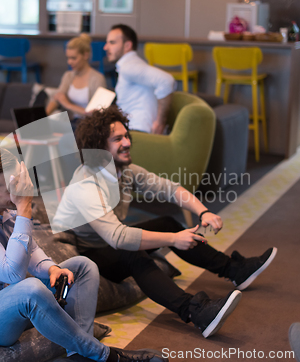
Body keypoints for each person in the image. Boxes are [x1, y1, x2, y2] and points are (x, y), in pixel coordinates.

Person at [53, 106, 277, 338]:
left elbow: (169, 189)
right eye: (118, 139)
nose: (127, 142)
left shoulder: (125, 171)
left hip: (107, 243)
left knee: (168, 222)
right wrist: (174, 240)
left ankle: (235, 270)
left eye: (126, 135)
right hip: (87, 253)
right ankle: (195, 312)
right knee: (133, 252)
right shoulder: (86, 185)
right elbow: (118, 237)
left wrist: (203, 212)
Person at [0, 145, 166, 362]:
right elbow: (13, 274)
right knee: (30, 288)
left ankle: (78, 354)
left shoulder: (0, 206)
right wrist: (24, 209)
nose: (21, 193)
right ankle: (106, 355)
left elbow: (31, 249)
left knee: (82, 266)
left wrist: (52, 268)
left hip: (3, 300)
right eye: (12, 190)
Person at [104, 24, 175, 134]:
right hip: (131, 129)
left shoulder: (129, 67)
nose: (106, 47)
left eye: (112, 43)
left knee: (73, 133)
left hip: (137, 131)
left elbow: (167, 81)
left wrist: (160, 123)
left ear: (127, 45)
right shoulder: (130, 65)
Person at [46, 33, 107, 132]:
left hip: (89, 125)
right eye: (68, 58)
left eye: (73, 58)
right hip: (71, 122)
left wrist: (67, 104)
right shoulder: (68, 76)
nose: (69, 62)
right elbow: (57, 98)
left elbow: (95, 114)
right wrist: (41, 119)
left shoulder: (98, 79)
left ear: (85, 55)